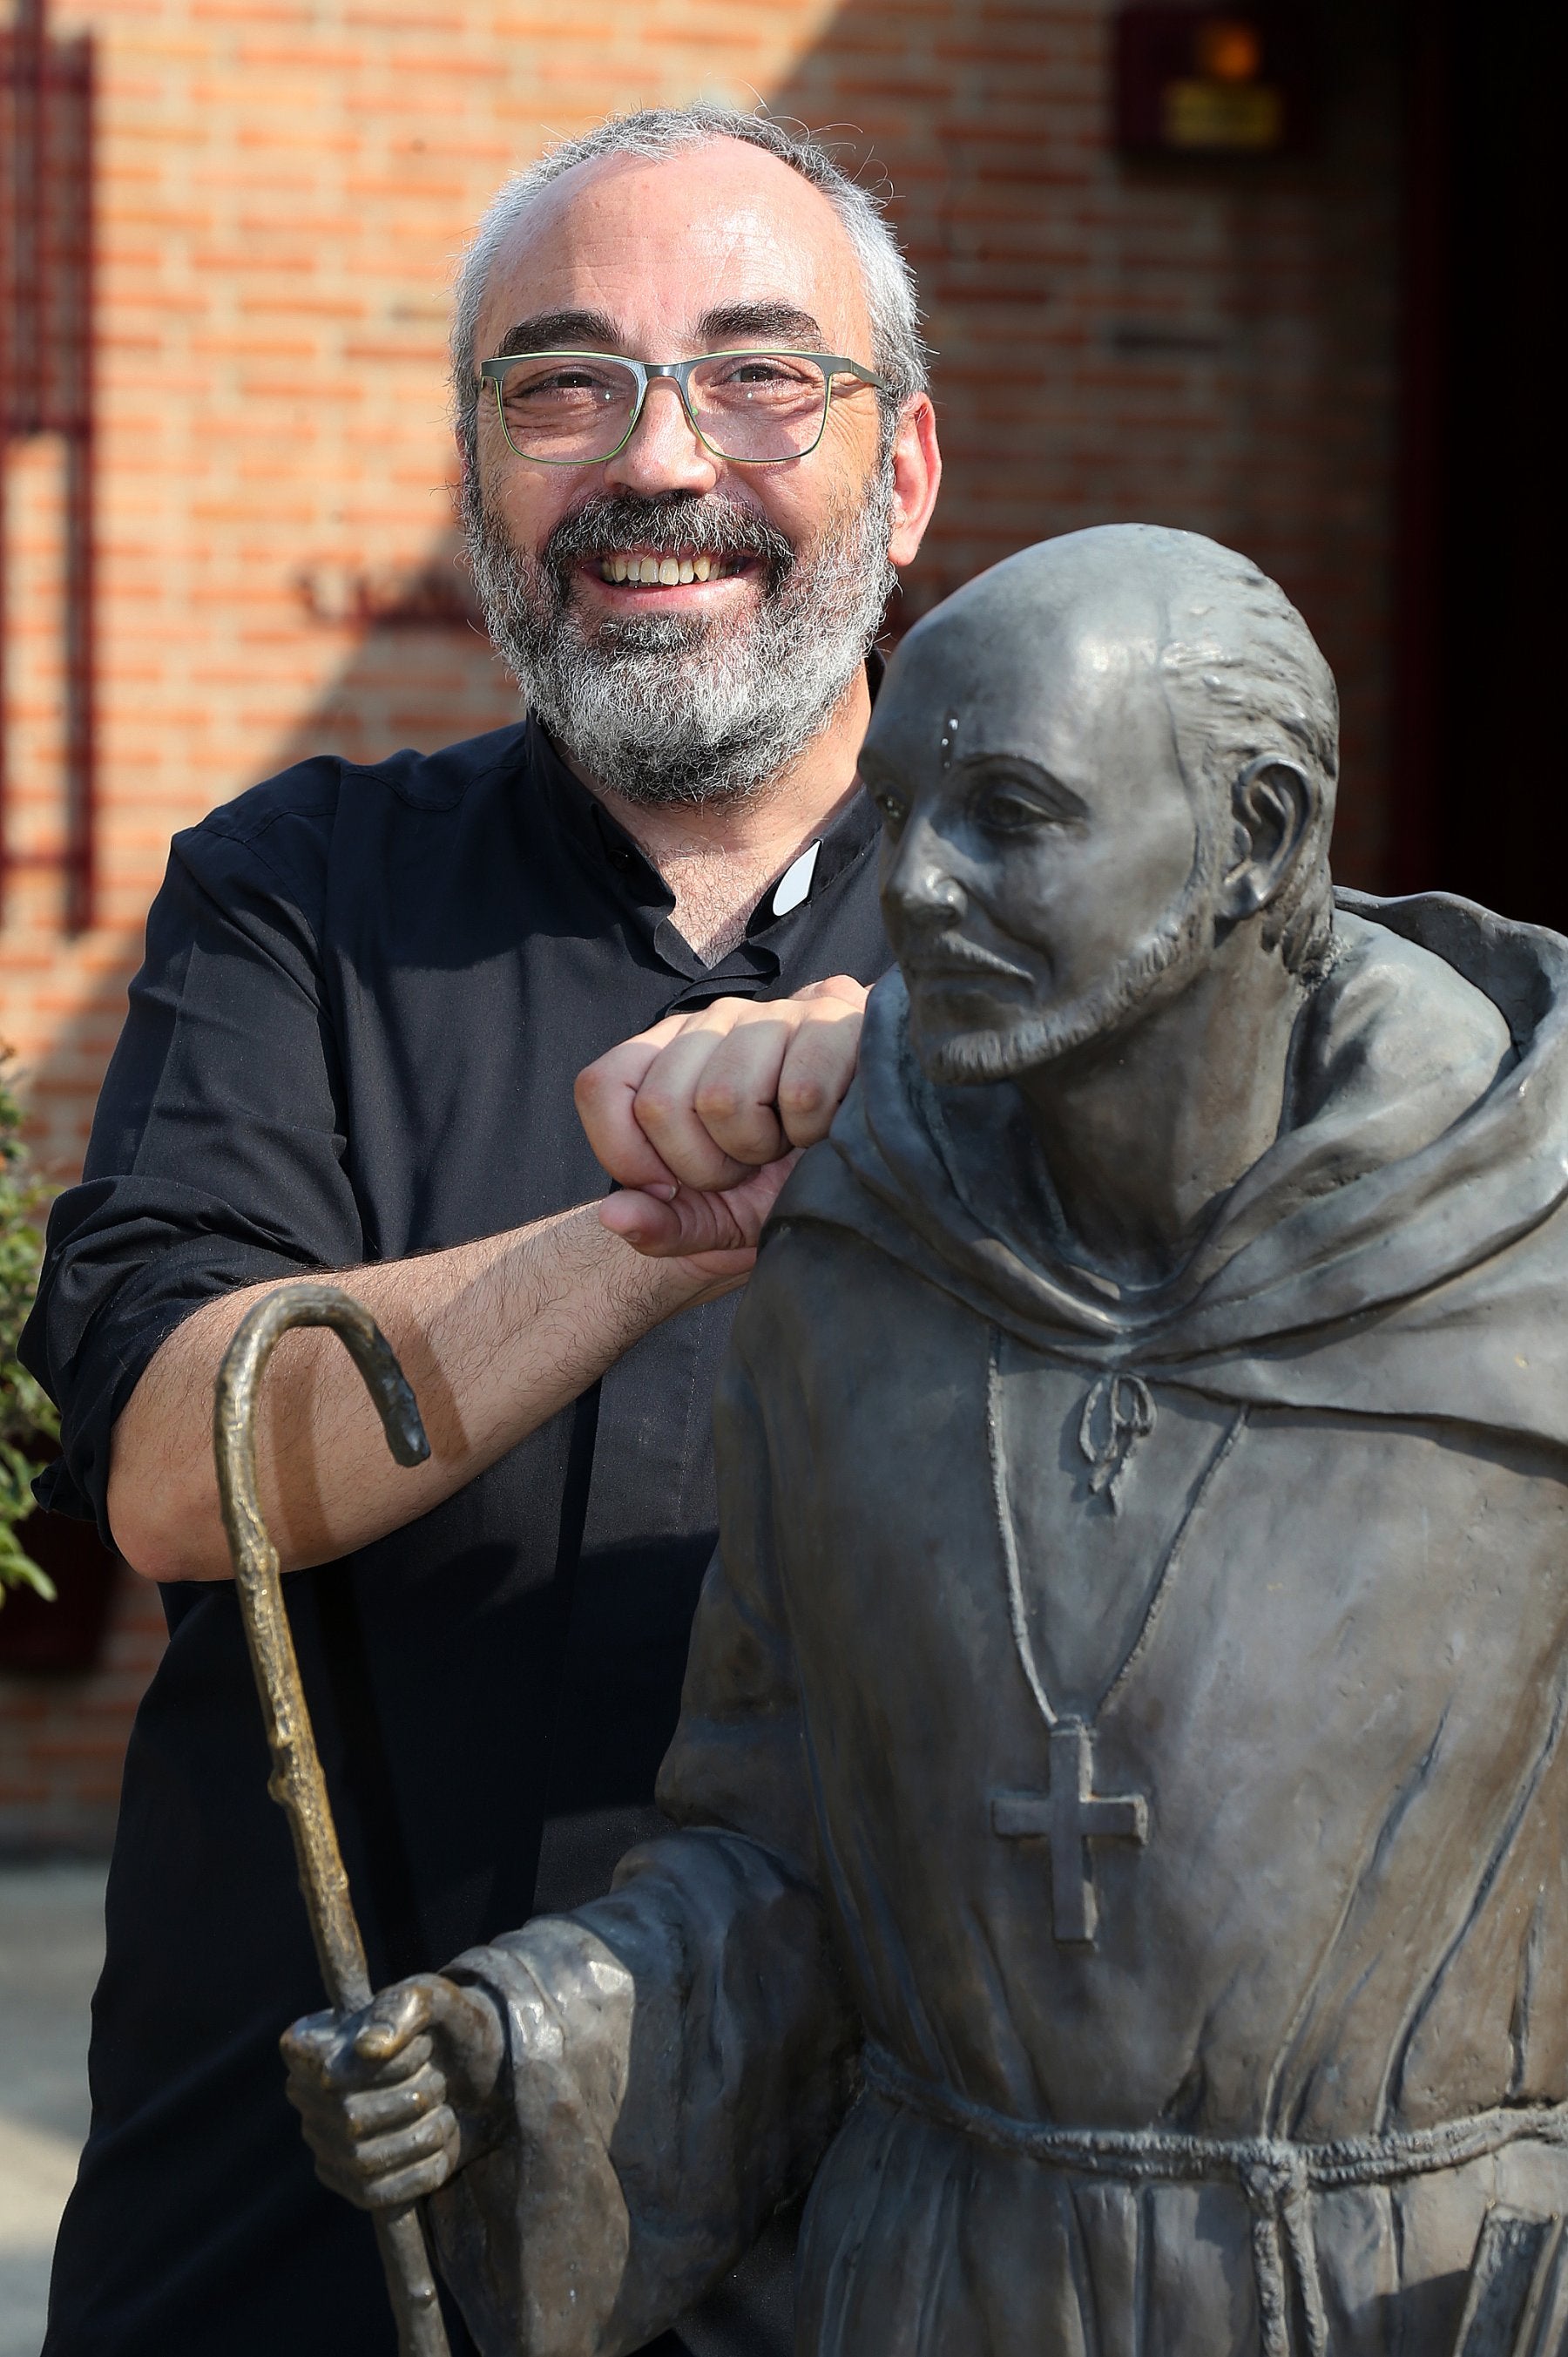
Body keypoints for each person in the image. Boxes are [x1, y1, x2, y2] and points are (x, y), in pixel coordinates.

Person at [287, 524, 1568, 2357]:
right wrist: (529, 2042)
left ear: (1260, 838)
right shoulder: (857, 1252)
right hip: (937, 2291)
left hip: (1411, 2302)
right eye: (904, 812)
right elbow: (785, 1846)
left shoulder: (1541, 1261)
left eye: (1015, 813)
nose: (922, 891)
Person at [21, 105, 940, 2357]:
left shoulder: (1080, 959)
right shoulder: (295, 901)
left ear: (905, 473)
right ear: (481, 475)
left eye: (755, 375)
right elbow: (172, 1460)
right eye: (564, 383)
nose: (655, 461)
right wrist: (678, 1216)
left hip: (903, 2237)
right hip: (304, 2256)